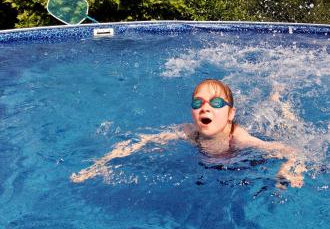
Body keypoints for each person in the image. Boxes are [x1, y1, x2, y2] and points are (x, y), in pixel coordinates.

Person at [71, 79, 306, 188]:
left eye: (215, 103)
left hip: (240, 154)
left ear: (230, 113)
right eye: (198, 103)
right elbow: (142, 141)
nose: (205, 107)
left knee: (284, 125)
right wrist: (100, 164)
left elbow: (291, 151)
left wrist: (286, 171)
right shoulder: (189, 134)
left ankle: (277, 96)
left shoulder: (240, 138)